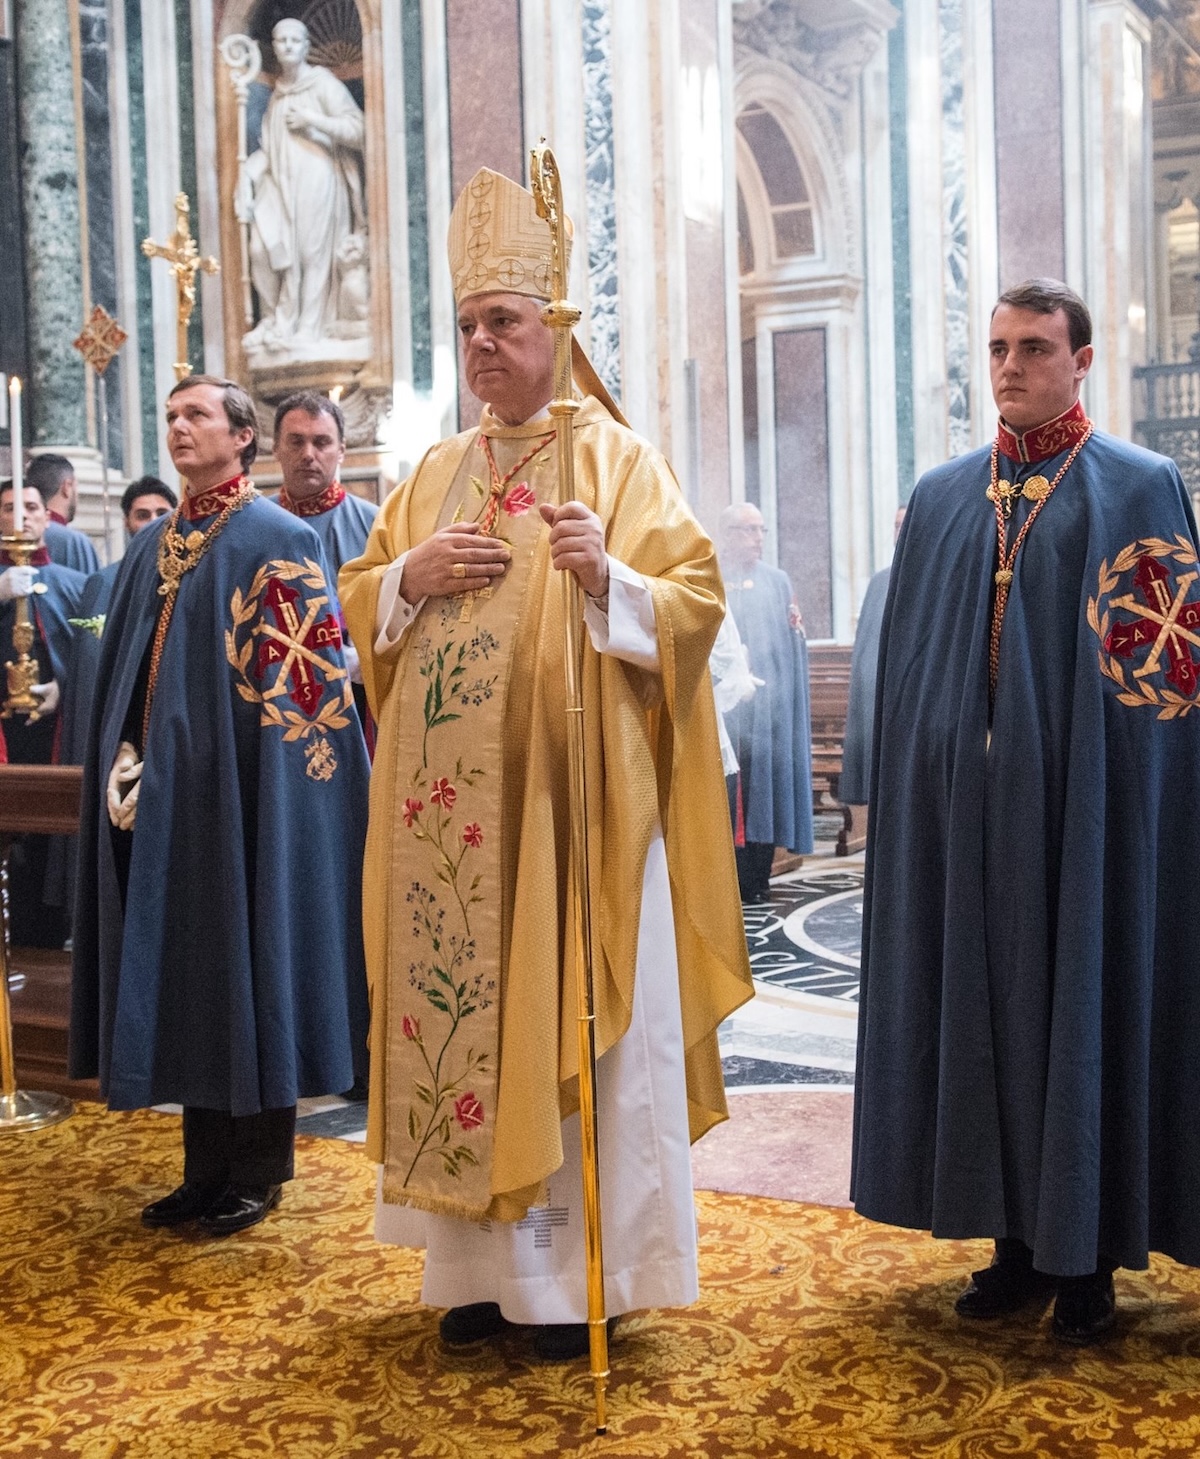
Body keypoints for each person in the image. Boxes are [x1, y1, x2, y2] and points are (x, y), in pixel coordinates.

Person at [340, 166, 752, 1362]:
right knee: (458, 1027)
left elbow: (693, 600)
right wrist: (405, 581)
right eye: (468, 324)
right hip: (450, 829)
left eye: (503, 322)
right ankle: (472, 1270)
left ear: (555, 332)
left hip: (574, 822)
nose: (480, 343)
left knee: (568, 1027)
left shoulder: (614, 463)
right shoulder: (427, 475)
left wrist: (606, 577)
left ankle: (584, 1285)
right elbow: (363, 595)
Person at [852, 278, 1200, 1345]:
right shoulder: (948, 496)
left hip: (1087, 817)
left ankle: (1085, 1255)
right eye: (999, 346)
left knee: (1080, 1006)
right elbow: (908, 673)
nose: (1011, 365)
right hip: (970, 823)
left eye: (1036, 347)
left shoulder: (1140, 488)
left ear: (1081, 360)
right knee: (989, 1014)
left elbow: (1169, 682)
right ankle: (1009, 1240)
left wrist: (1125, 804)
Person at [70, 375, 370, 1237]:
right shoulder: (160, 542)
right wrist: (126, 758)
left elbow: (309, 694)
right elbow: (128, 667)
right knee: (196, 983)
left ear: (242, 437)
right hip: (167, 802)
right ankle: (203, 1169)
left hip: (245, 799)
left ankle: (258, 1172)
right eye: (169, 416)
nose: (177, 429)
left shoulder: (274, 536)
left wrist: (291, 807)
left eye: (196, 415)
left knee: (253, 968)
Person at [49, 479, 178, 919]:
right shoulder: (104, 582)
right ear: (127, 521)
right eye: (142, 514)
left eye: (162, 511)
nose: (153, 521)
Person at [235, 18, 366, 354]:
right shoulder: (277, 94)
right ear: (274, 48)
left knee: (311, 254)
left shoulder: (321, 83)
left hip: (318, 182)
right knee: (262, 250)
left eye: (295, 40)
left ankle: (309, 328)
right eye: (281, 41)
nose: (289, 46)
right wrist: (247, 176)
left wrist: (313, 121)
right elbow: (269, 147)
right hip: (280, 186)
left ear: (308, 46)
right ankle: (276, 319)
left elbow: (357, 129)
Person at [0, 479, 86, 945]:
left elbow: (91, 660)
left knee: (50, 849)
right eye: (10, 507)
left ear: (46, 517)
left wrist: (64, 687)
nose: (22, 517)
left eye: (31, 507)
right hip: (3, 740)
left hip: (56, 737)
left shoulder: (73, 586)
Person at [718, 503, 814, 900]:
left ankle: (757, 878)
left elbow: (793, 645)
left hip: (766, 711)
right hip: (723, 711)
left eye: (761, 530)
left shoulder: (777, 581)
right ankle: (723, 881)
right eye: (747, 529)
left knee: (763, 795)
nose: (757, 538)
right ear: (726, 534)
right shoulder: (710, 578)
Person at [838, 506, 905, 806]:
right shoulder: (880, 582)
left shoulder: (941, 575)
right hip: (879, 704)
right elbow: (864, 652)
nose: (899, 532)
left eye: (906, 524)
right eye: (895, 525)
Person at [28, 454, 100, 576]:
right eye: (76, 487)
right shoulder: (75, 542)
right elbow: (92, 590)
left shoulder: (13, 534)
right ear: (67, 487)